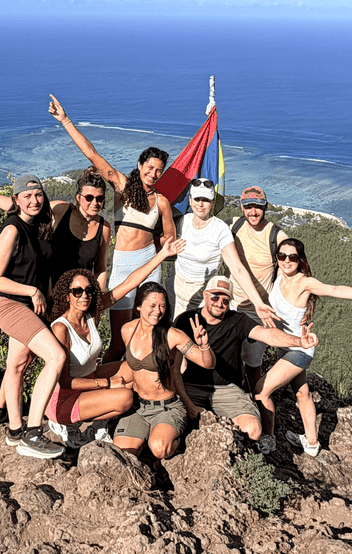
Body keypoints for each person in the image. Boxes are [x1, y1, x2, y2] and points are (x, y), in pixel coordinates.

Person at [49, 95, 176, 361]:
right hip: (121, 264)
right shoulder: (122, 187)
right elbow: (92, 154)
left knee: (148, 335)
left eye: (159, 171)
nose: (154, 174)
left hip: (149, 264)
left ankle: (143, 384)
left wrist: (165, 246)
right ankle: (103, 379)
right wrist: (65, 120)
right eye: (150, 167)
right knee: (118, 341)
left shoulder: (162, 202)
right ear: (140, 166)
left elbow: (169, 238)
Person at [254, 238, 352, 455]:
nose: (286, 261)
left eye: (292, 257)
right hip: (285, 347)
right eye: (282, 256)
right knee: (302, 394)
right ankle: (312, 443)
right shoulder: (278, 277)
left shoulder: (304, 282)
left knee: (260, 391)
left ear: (300, 259)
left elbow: (334, 289)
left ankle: (269, 438)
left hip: (299, 350)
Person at [46, 237, 185, 448]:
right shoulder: (61, 328)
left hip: (87, 378)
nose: (84, 296)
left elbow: (130, 283)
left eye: (88, 291)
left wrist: (162, 255)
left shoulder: (91, 314)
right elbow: (65, 381)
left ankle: (98, 423)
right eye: (77, 292)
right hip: (63, 398)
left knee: (131, 369)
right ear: (67, 296)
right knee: (125, 397)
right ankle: (67, 425)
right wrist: (107, 384)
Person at [173, 275, 317, 452]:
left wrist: (299, 342)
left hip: (227, 389)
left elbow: (268, 335)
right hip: (193, 386)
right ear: (205, 295)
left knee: (253, 430)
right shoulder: (185, 320)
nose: (220, 304)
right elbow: (174, 366)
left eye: (225, 300)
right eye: (215, 297)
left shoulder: (238, 321)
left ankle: (217, 426)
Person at [0, 173, 66, 459]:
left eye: (38, 195)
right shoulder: (12, 230)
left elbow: (11, 202)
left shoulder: (40, 223)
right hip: (11, 305)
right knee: (56, 357)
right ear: (17, 200)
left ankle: (15, 429)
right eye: (27, 196)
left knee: (17, 365)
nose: (34, 200)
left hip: (29, 307)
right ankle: (33, 433)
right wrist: (32, 291)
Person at [0, 166, 111, 290]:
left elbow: (101, 269)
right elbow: (19, 207)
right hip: (52, 292)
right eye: (89, 197)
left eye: (100, 198)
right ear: (78, 197)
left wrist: (97, 301)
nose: (94, 203)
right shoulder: (61, 210)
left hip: (81, 297)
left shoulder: (103, 228)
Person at [111, 282, 215, 461]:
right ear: (138, 306)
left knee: (159, 449)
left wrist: (204, 346)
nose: (158, 311)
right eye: (152, 305)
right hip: (138, 407)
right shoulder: (128, 330)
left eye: (162, 306)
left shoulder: (173, 335)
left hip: (167, 407)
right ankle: (146, 437)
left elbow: (207, 364)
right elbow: (118, 360)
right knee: (123, 454)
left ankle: (177, 440)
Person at [172, 179, 278, 327]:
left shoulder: (220, 230)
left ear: (213, 203)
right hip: (178, 295)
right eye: (197, 199)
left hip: (204, 300)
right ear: (190, 200)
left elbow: (237, 269)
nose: (200, 204)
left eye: (206, 200)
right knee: (177, 338)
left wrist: (258, 303)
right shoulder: (182, 222)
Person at [226, 186, 288, 393]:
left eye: (258, 207)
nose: (253, 212)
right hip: (231, 305)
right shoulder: (233, 226)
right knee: (229, 356)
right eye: (248, 207)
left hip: (259, 311)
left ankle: (257, 397)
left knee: (253, 361)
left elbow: (291, 273)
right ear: (242, 208)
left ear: (266, 207)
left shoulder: (277, 237)